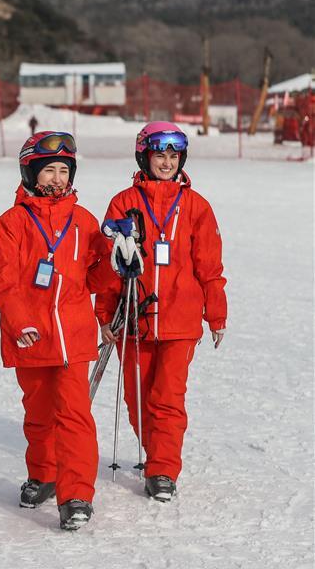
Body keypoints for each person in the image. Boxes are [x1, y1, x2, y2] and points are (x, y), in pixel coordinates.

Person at [96, 121, 227, 502]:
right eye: (159, 155)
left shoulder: (196, 206)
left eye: (173, 156)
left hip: (181, 319)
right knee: (138, 401)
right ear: (144, 156)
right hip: (134, 318)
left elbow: (210, 266)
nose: (167, 162)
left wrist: (216, 314)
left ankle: (163, 470)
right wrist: (104, 314)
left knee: (168, 398)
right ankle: (157, 453)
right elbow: (109, 268)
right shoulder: (124, 202)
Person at [0, 131, 112, 530]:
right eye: (49, 171)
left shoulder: (84, 221)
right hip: (31, 335)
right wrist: (20, 320)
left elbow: (99, 277)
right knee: (39, 415)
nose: (57, 179)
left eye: (64, 170)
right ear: (30, 172)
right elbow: (3, 281)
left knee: (75, 416)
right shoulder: (10, 224)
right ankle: (43, 475)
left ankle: (76, 494)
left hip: (73, 335)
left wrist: (119, 255)